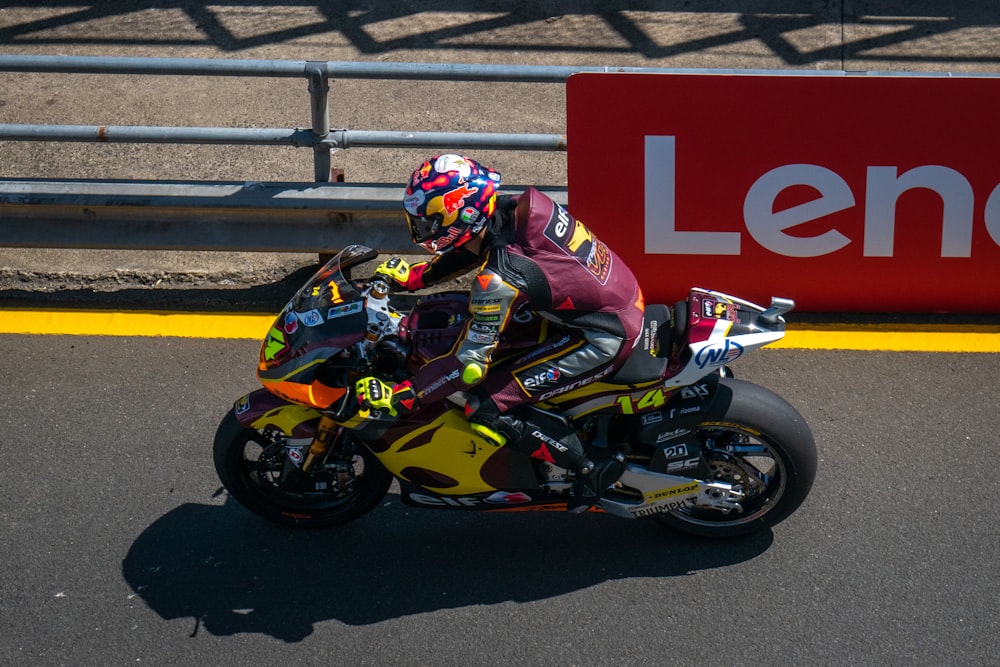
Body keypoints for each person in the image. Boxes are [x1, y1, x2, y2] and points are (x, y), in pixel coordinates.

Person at [355, 154, 645, 512]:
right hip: (611, 299)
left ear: (461, 217)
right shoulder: (517, 207)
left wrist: (408, 395)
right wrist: (416, 277)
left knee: (484, 404)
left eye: (430, 222)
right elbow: (477, 245)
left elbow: (466, 366)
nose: (423, 230)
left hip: (603, 336)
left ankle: (588, 467)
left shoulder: (498, 280)